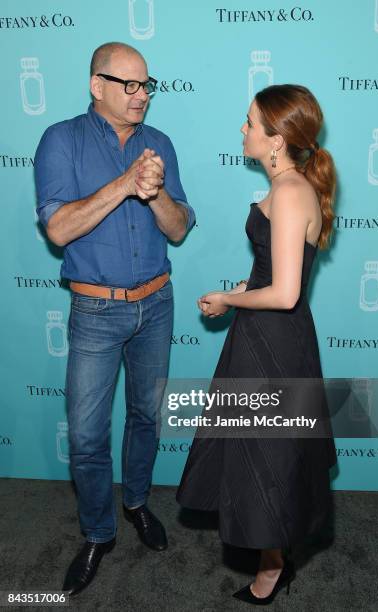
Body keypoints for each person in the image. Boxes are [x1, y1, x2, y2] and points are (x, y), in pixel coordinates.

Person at [34, 42, 195, 596]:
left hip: (156, 304)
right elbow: (58, 229)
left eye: (147, 85)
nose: (141, 95)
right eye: (128, 84)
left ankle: (137, 504)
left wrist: (153, 195)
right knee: (85, 435)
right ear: (95, 85)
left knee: (147, 417)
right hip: (95, 310)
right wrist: (125, 184)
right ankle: (99, 532)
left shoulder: (161, 144)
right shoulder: (61, 140)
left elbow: (177, 229)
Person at [176, 84, 337, 605]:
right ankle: (275, 561)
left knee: (266, 456)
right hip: (266, 336)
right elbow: (278, 274)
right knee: (262, 455)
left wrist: (227, 298)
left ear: (275, 139)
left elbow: (288, 293)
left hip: (274, 344)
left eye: (249, 122)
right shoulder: (290, 186)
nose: (241, 129)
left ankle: (271, 573)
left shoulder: (290, 192)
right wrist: (245, 290)